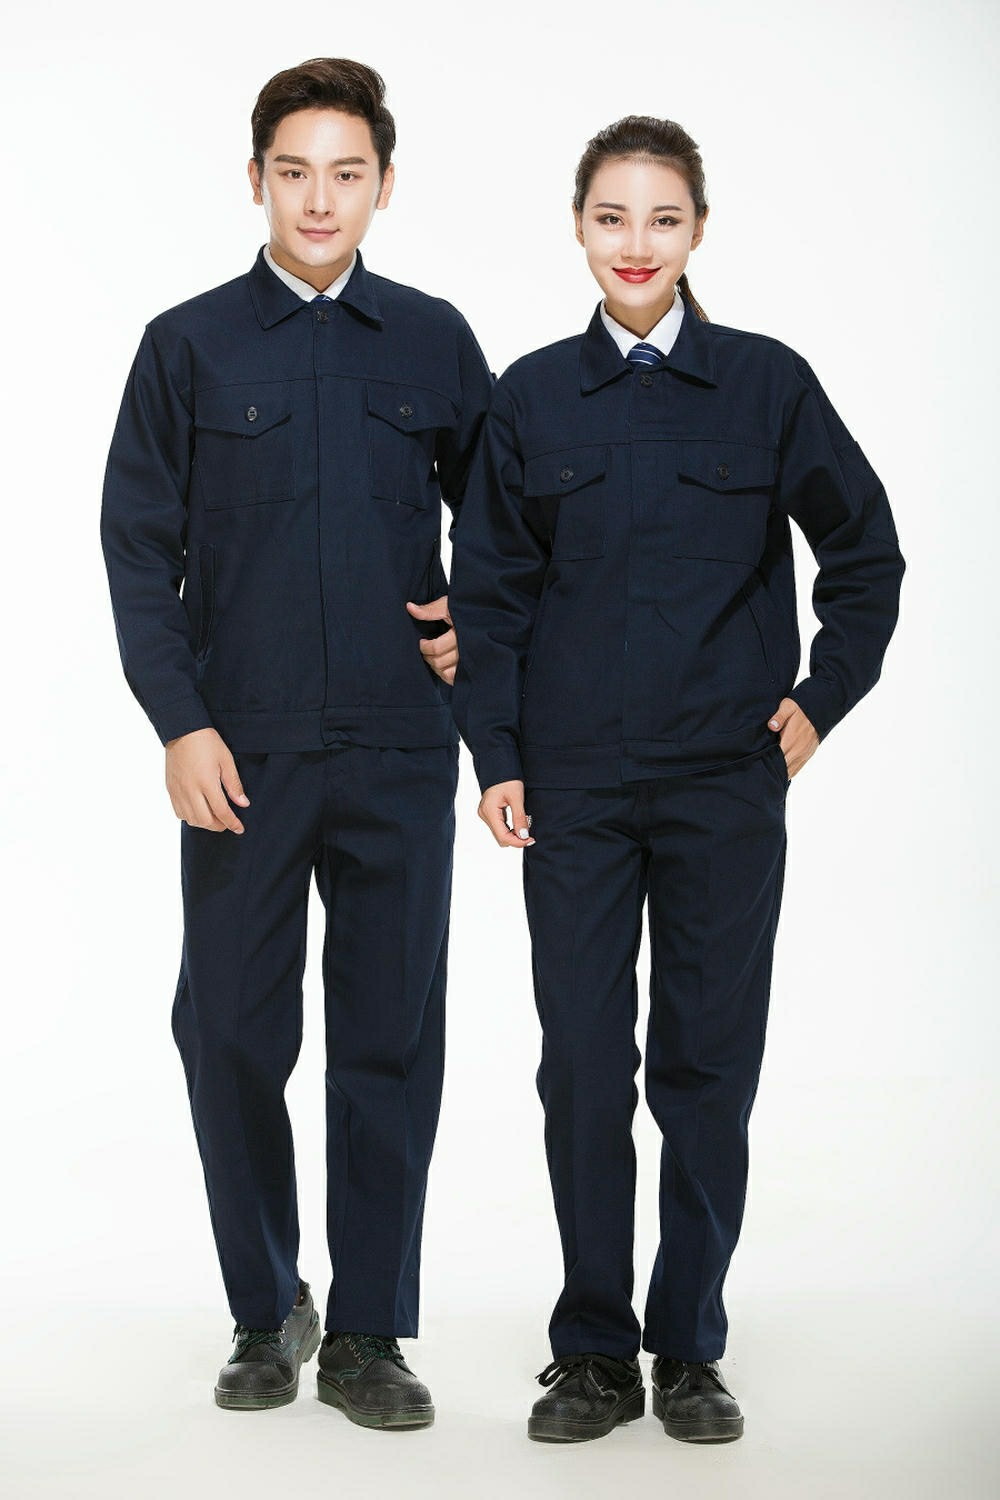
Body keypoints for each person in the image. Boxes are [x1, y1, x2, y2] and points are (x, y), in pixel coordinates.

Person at [448, 115, 905, 1445]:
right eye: (612, 218)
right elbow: (492, 593)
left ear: (699, 229)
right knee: (586, 1070)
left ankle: (690, 1346)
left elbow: (864, 555)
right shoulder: (532, 396)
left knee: (707, 1068)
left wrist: (819, 702)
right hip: (574, 791)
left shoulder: (767, 384)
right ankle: (594, 1349)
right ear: (578, 229)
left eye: (662, 218)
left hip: (723, 785)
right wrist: (498, 757)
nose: (636, 244)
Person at [100, 57, 493, 1425]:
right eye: (294, 171)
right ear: (257, 179)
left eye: (347, 173)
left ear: (383, 185)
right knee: (227, 1032)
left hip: (398, 745)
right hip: (243, 753)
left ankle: (372, 1332)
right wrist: (180, 720)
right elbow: (137, 550)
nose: (320, 199)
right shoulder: (189, 345)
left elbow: (510, 524)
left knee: (389, 1041)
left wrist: (482, 627)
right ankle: (267, 1309)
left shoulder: (434, 341)